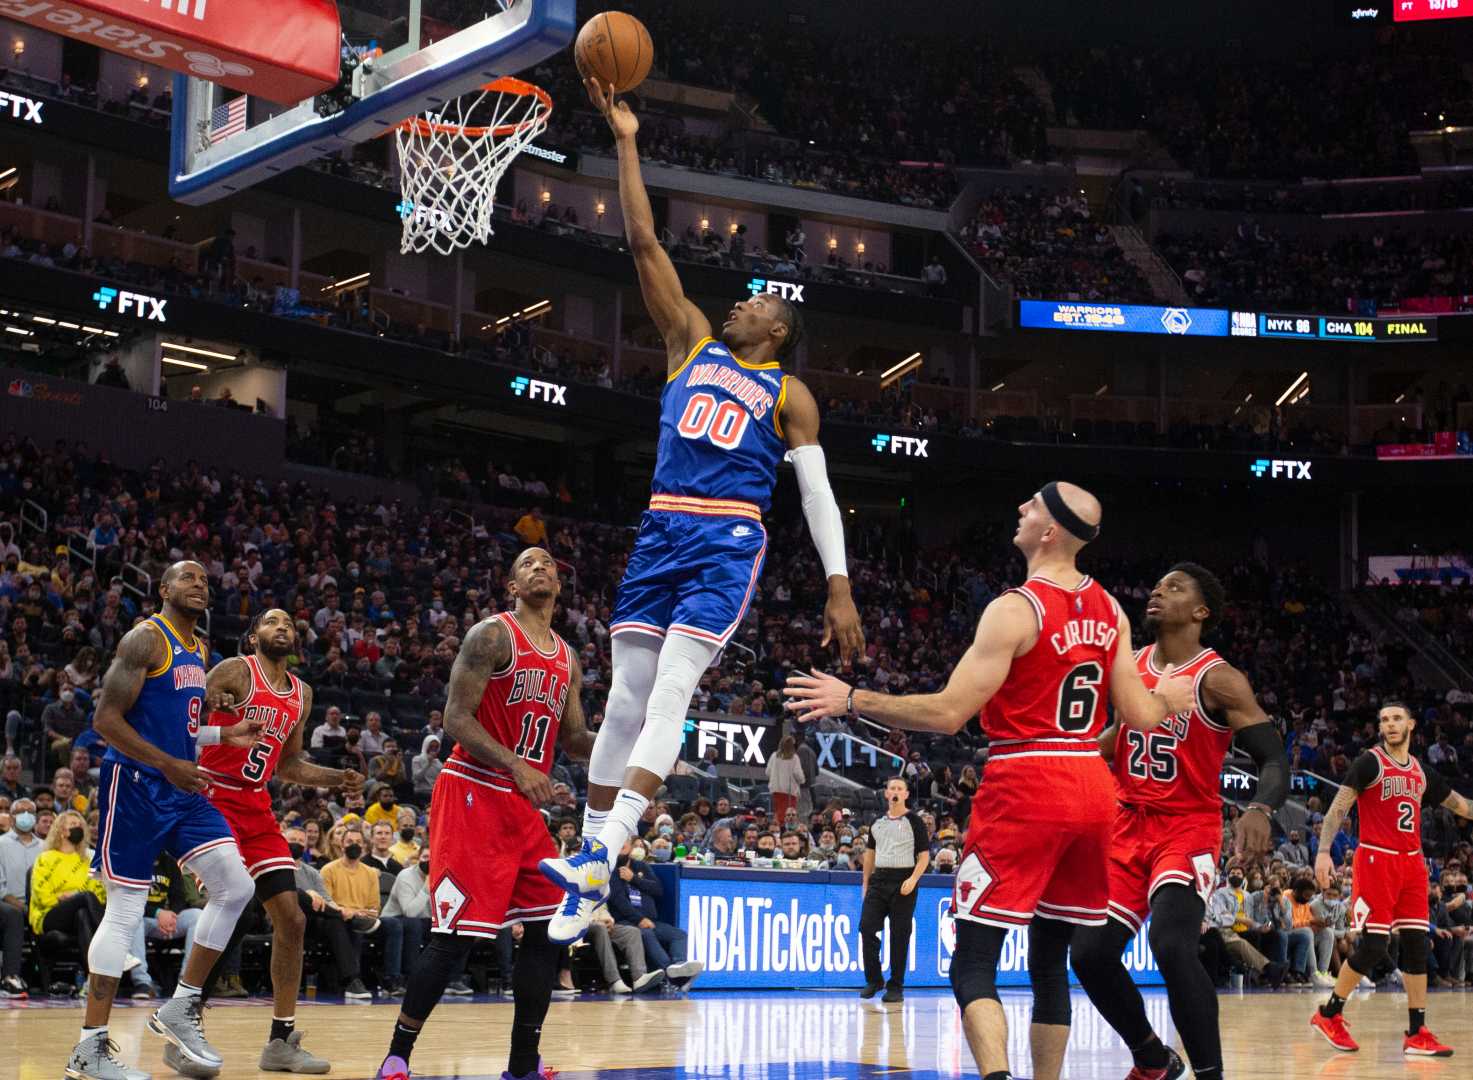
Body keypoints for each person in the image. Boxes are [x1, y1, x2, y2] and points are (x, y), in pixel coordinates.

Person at [540, 78, 864, 944]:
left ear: (780, 329)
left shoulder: (787, 390)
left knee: (671, 690)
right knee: (620, 703)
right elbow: (642, 238)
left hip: (726, 535)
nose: (738, 303)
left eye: (755, 300)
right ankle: (586, 863)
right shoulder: (687, 340)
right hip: (660, 525)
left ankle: (604, 851)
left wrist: (838, 585)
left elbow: (815, 492)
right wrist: (626, 141)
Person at [784, 483, 1194, 1080]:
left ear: (1050, 530)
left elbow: (949, 713)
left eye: (1031, 505)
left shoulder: (1016, 608)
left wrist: (853, 699)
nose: (1020, 510)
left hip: (1028, 779)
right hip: (1090, 783)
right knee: (1049, 961)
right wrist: (1170, 697)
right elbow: (1138, 715)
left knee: (972, 962)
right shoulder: (1111, 610)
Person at [375, 547, 596, 1080]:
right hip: (472, 789)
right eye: (527, 564)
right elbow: (455, 717)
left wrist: (631, 745)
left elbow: (573, 739)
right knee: (456, 937)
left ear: (559, 589)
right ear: (512, 586)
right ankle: (396, 1055)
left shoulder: (567, 658)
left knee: (547, 929)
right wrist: (518, 764)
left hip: (522, 807)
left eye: (548, 564)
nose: (540, 568)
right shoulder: (492, 636)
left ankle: (523, 1063)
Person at [1070, 563, 1290, 1080]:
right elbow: (1117, 737)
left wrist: (1259, 808)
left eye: (1174, 588)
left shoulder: (1220, 679)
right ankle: (1153, 1059)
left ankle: (1210, 1074)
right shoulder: (1129, 665)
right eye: (1156, 584)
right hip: (1126, 825)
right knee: (1090, 954)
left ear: (1200, 612)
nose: (1156, 591)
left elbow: (1274, 759)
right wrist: (1067, 753)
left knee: (1171, 944)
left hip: (1185, 827)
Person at [68, 562, 260, 1080]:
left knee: (236, 887)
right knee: (126, 908)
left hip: (181, 787)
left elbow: (181, 732)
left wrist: (226, 736)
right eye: (188, 578)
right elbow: (105, 720)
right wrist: (168, 765)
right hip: (134, 786)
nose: (199, 584)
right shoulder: (144, 640)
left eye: (204, 579)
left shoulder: (200, 651)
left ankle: (180, 1005)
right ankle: (89, 1049)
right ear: (164, 589)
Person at [186, 608, 363, 1075]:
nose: (282, 627)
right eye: (271, 622)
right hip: (213, 795)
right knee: (236, 904)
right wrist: (212, 696)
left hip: (256, 804)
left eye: (288, 623)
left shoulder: (302, 694)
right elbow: (191, 716)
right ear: (253, 636)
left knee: (292, 918)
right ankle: (185, 1019)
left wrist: (334, 778)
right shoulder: (234, 670)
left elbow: (288, 765)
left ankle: (280, 1040)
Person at [1310, 701, 1473, 1057]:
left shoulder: (1421, 771)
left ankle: (1417, 1033)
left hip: (1413, 865)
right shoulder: (1370, 762)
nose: (1389, 724)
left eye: (1397, 718)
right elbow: (1339, 807)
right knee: (1373, 946)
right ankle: (1329, 1014)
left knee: (1417, 945)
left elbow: (1461, 805)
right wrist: (1323, 852)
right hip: (1375, 860)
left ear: (1412, 724)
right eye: (1384, 720)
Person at [859, 775, 930, 1002]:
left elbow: (924, 857)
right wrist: (865, 883)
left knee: (900, 934)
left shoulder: (915, 822)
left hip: (904, 879)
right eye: (892, 788)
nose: (896, 791)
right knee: (867, 927)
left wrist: (913, 879)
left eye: (900, 788)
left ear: (906, 794)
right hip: (879, 880)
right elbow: (870, 855)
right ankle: (874, 979)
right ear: (887, 793)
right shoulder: (877, 823)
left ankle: (896, 985)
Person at [606, 838, 701, 988]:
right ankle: (672, 974)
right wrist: (639, 919)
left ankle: (679, 965)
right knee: (646, 933)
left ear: (630, 846)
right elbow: (619, 902)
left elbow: (658, 889)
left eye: (623, 844)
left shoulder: (641, 866)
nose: (620, 848)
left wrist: (634, 879)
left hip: (650, 920)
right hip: (626, 922)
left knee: (679, 935)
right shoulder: (610, 871)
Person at [28, 809, 110, 973]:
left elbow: (100, 894)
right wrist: (69, 898)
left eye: (80, 825)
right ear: (62, 831)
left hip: (81, 915)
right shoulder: (45, 858)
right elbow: (42, 897)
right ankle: (110, 941)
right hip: (49, 916)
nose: (78, 827)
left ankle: (91, 978)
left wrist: (73, 896)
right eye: (73, 824)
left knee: (82, 914)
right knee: (84, 897)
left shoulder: (88, 861)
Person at [0, 795, 40, 996]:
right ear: (12, 817)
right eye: (19, 812)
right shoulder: (1, 844)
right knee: (13, 915)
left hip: (41, 905)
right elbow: (1, 888)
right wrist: (23, 907)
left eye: (30, 812)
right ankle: (10, 977)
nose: (25, 816)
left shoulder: (45, 847)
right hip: (8, 904)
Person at [381, 848, 432, 997]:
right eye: (425, 856)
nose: (429, 861)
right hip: (393, 918)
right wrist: (427, 888)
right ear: (418, 857)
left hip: (423, 920)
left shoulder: (444, 875)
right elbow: (410, 912)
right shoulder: (406, 876)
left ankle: (450, 980)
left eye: (433, 857)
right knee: (414, 924)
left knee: (450, 928)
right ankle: (398, 979)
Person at [766, 735, 804, 822]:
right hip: (789, 794)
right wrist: (802, 780)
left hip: (775, 792)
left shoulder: (774, 756)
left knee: (777, 816)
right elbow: (798, 775)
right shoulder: (794, 758)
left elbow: (767, 772)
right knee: (788, 818)